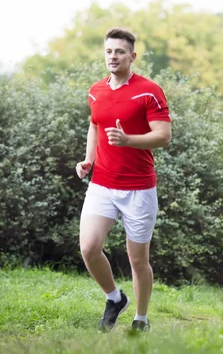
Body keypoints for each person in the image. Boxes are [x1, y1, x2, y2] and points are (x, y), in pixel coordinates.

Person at [75, 27, 171, 333]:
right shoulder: (96, 90)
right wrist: (89, 159)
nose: (113, 56)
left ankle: (141, 319)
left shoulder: (149, 91)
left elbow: (163, 136)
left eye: (119, 51)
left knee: (138, 260)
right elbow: (95, 126)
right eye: (108, 51)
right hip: (102, 183)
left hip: (139, 188)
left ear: (132, 56)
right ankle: (114, 299)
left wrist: (128, 139)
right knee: (89, 247)